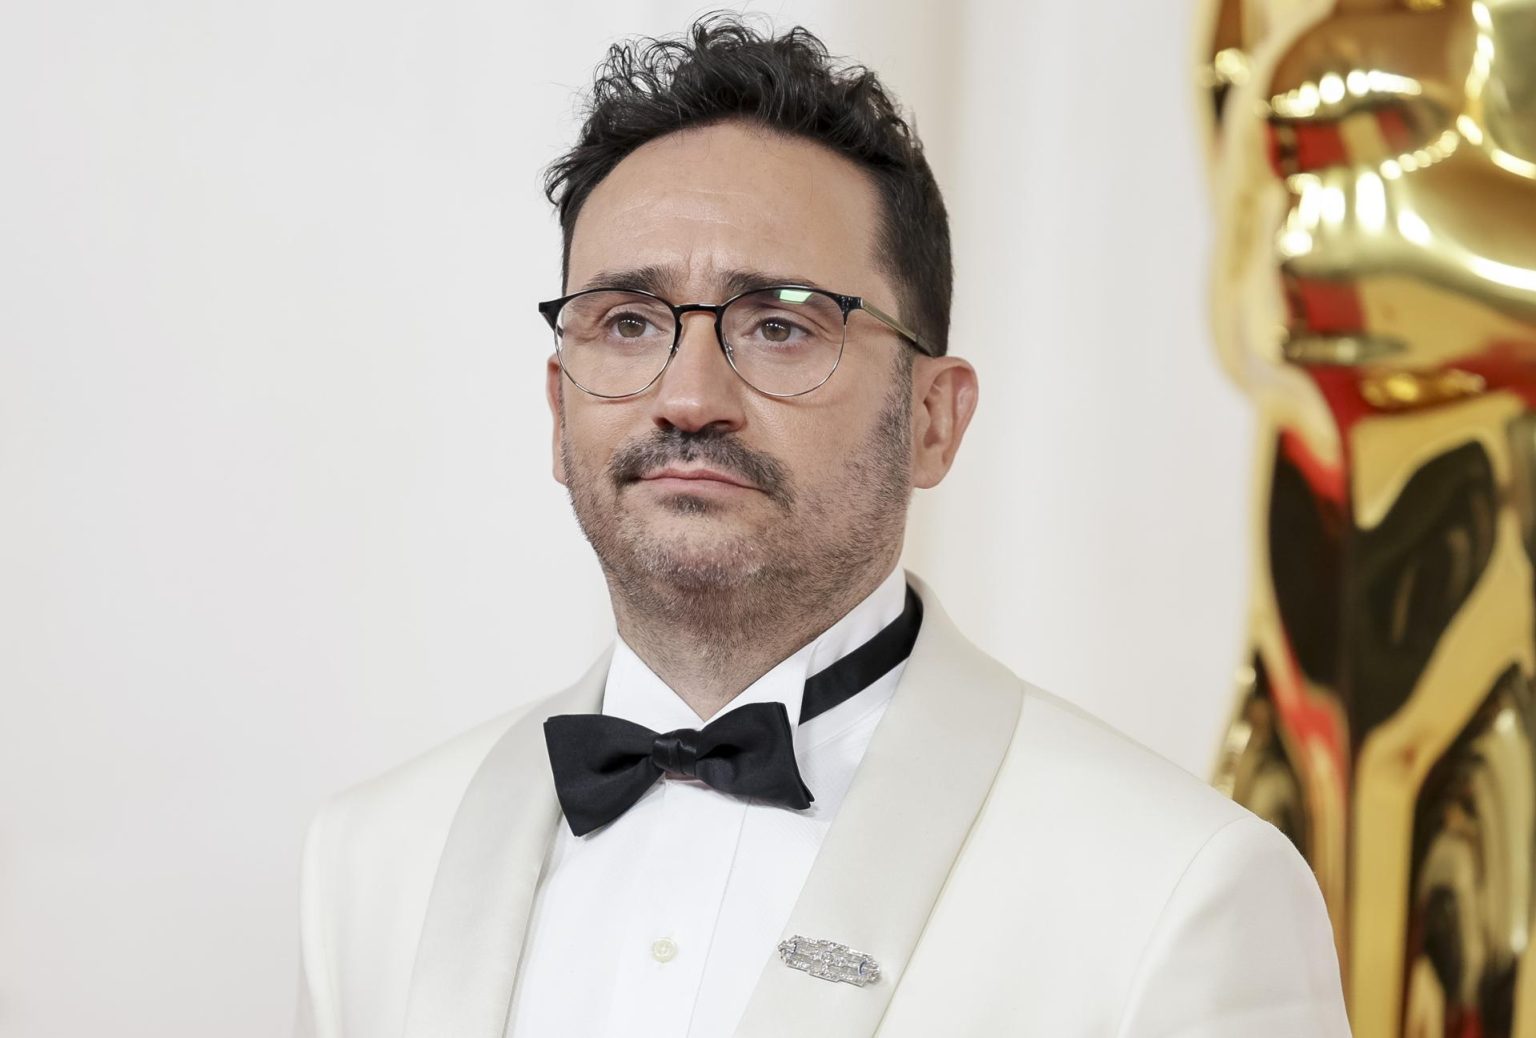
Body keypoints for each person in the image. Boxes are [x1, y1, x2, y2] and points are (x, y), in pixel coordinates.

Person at [294, 15, 1351, 1038]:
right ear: (558, 400)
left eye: (781, 325)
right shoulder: (372, 861)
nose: (689, 394)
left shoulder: (1182, 891)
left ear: (935, 420)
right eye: (626, 322)